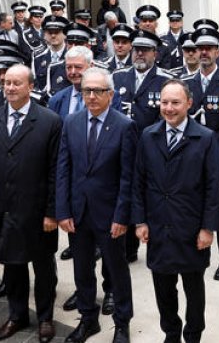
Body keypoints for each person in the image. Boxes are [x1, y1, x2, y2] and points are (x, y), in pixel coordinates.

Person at [133, 79, 219, 343]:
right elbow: (138, 182)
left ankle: (193, 335)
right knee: (163, 287)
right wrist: (140, 221)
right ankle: (171, 332)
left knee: (194, 288)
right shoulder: (148, 136)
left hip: (191, 228)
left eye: (175, 102)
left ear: (189, 104)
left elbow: (213, 187)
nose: (169, 108)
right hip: (158, 227)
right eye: (164, 102)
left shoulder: (205, 138)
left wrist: (208, 227)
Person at [0, 64, 63, 342]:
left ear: (31, 86)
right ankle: (16, 315)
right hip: (3, 210)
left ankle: (46, 317)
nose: (10, 88)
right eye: (7, 83)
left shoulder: (50, 121)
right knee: (12, 267)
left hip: (38, 212)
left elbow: (55, 171)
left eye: (16, 83)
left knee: (43, 267)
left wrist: (52, 212)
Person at [57, 67, 137, 343]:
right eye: (86, 91)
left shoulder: (124, 126)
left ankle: (122, 323)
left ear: (110, 94)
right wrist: (63, 210)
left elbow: (128, 177)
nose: (91, 96)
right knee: (81, 270)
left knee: (117, 270)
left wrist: (121, 216)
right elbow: (63, 169)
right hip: (78, 212)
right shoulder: (71, 122)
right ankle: (88, 319)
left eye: (97, 91)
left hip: (110, 213)